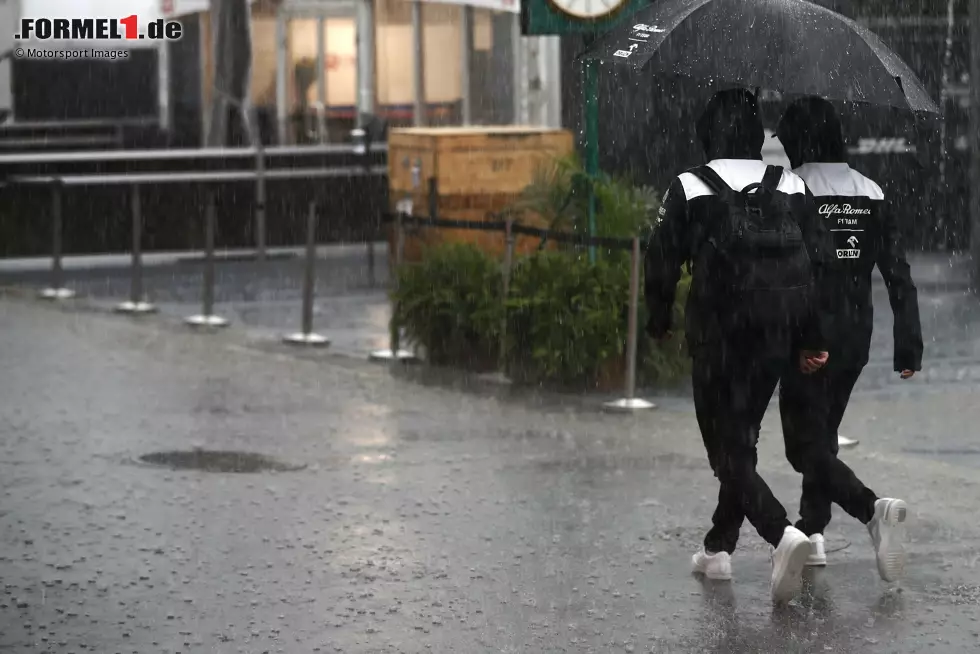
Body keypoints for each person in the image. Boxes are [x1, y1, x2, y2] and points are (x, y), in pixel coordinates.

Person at [644, 88, 833, 604]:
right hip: (775, 335)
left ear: (707, 133)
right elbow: (816, 267)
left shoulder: (689, 186)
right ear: (755, 135)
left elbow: (660, 261)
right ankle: (718, 548)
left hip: (715, 335)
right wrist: (812, 338)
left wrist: (657, 320)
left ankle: (781, 535)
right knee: (742, 440)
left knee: (724, 449)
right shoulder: (790, 184)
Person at [774, 97, 922, 581]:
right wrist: (908, 345)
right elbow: (897, 275)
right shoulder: (870, 190)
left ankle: (870, 510)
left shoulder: (794, 188)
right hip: (856, 337)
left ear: (798, 139)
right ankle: (813, 532)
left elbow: (788, 265)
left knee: (802, 447)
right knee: (821, 434)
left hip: (806, 334)